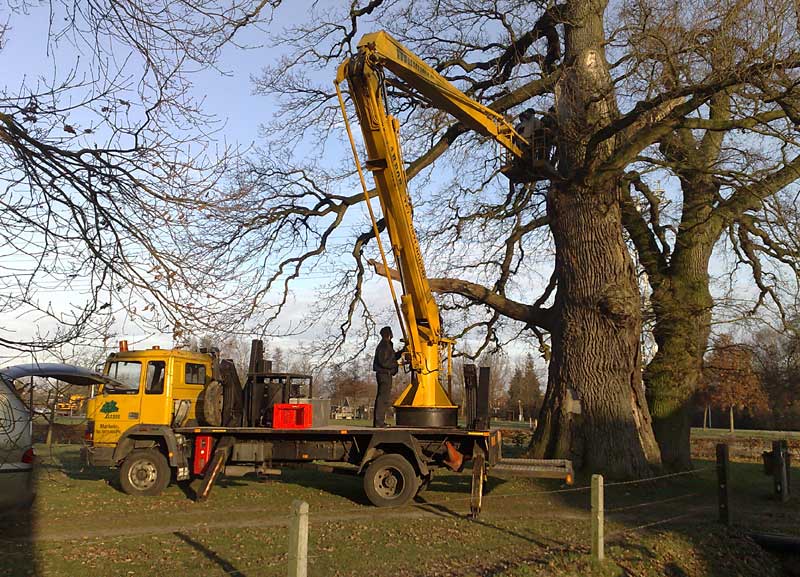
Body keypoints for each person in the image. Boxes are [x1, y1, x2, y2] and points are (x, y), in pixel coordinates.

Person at [372, 326, 403, 427]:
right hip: (384, 375)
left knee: (383, 399)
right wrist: (396, 364)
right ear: (389, 334)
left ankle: (379, 422)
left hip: (385, 374)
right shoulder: (384, 346)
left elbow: (391, 357)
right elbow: (384, 362)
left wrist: (402, 352)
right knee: (382, 399)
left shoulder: (386, 345)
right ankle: (379, 423)